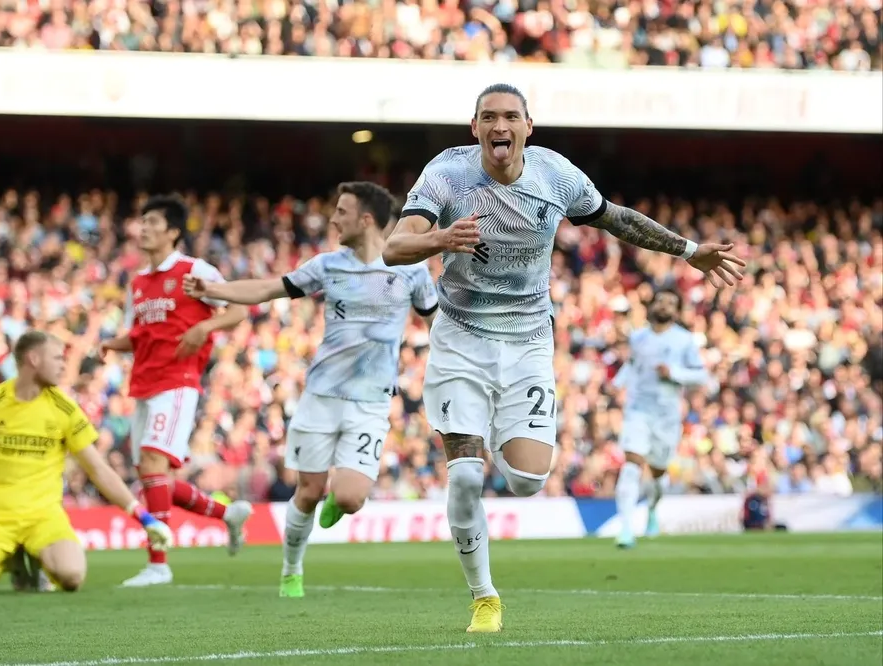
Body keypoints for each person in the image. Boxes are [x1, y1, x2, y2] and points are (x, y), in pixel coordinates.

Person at [382, 83, 747, 633]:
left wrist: (690, 251)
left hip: (528, 341)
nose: (499, 126)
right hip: (459, 337)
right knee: (462, 477)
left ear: (529, 126)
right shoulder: (447, 173)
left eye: (510, 117)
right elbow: (393, 247)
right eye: (489, 118)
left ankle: (502, 439)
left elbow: (617, 218)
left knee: (529, 479)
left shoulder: (556, 176)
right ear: (474, 128)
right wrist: (440, 240)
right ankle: (484, 597)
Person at [183, 181, 438, 598]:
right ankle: (291, 569)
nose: (334, 218)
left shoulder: (412, 271)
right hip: (321, 397)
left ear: (366, 219)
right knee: (309, 491)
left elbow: (436, 324)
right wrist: (213, 290)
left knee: (352, 498)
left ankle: (340, 499)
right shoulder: (328, 265)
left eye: (342, 211)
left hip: (372, 401)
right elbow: (266, 289)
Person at [98, 195, 253, 587]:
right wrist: (109, 346)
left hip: (179, 382)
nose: (143, 227)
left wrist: (204, 328)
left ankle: (159, 564)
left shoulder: (194, 270)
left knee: (152, 465)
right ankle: (228, 516)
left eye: (152, 221)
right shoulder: (137, 283)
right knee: (156, 480)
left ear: (172, 231)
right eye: (142, 221)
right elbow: (140, 336)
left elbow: (237, 309)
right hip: (144, 384)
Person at [0, 330, 174, 596]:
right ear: (33, 359)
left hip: (44, 517)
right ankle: (13, 560)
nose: (63, 365)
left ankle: (35, 560)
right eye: (57, 358)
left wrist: (143, 517)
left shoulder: (64, 409)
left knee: (72, 576)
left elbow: (98, 470)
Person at [612, 288, 709, 548]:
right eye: (661, 300)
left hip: (666, 417)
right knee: (632, 465)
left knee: (657, 473)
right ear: (652, 305)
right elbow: (632, 365)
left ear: (676, 312)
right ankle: (625, 529)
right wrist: (617, 382)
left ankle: (652, 512)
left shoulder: (685, 340)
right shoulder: (638, 337)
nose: (665, 305)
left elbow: (701, 376)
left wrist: (674, 372)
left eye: (671, 302)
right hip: (638, 410)